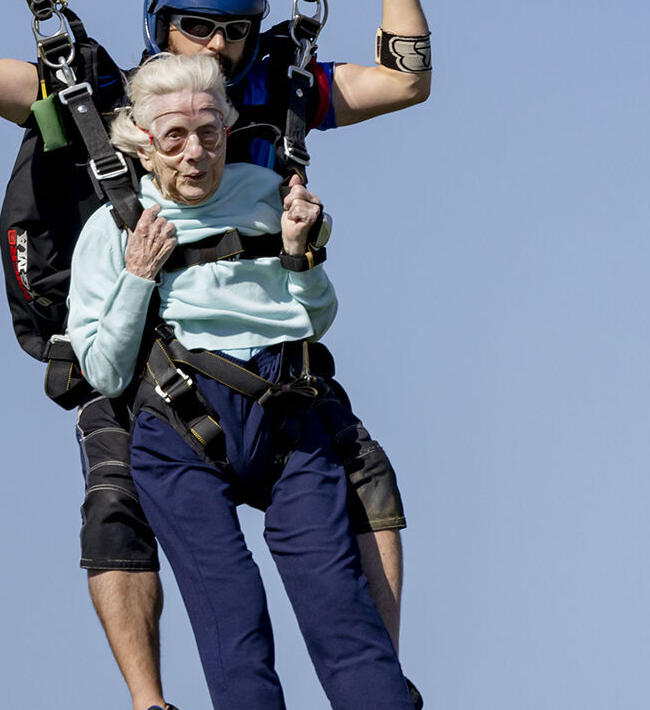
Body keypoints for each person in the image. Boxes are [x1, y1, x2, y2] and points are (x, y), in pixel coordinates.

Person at [0, 0, 431, 710]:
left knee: (364, 471)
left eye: (234, 32)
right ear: (162, 26)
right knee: (117, 501)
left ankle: (374, 678)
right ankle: (149, 701)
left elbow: (404, 79)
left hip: (262, 339)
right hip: (141, 349)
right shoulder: (106, 99)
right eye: (198, 28)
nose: (217, 49)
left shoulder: (274, 92)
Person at [67, 52, 413, 710]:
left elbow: (317, 315)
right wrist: (139, 273)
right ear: (143, 144)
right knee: (234, 617)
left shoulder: (265, 194)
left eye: (209, 133)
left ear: (227, 129)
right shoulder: (111, 231)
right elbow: (105, 371)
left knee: (341, 609)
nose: (194, 153)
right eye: (174, 138)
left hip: (286, 423)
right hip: (177, 435)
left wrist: (296, 253)